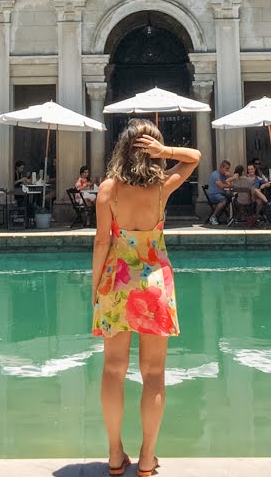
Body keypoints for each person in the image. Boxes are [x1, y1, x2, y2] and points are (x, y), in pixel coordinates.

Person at [91, 118, 200, 477]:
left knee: (112, 369)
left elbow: (102, 241)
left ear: (121, 150)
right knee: (153, 372)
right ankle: (148, 457)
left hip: (116, 283)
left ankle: (113, 454)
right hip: (154, 284)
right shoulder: (162, 188)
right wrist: (165, 151)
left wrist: (96, 288)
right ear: (151, 154)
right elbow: (195, 157)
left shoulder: (108, 189)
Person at [206, 159, 233, 226]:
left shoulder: (224, 176)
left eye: (228, 169)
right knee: (224, 200)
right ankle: (213, 217)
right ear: (222, 167)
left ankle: (230, 217)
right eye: (227, 168)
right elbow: (221, 186)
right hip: (213, 194)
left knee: (232, 199)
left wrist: (230, 177)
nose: (228, 170)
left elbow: (231, 184)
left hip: (221, 194)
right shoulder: (215, 174)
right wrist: (229, 185)